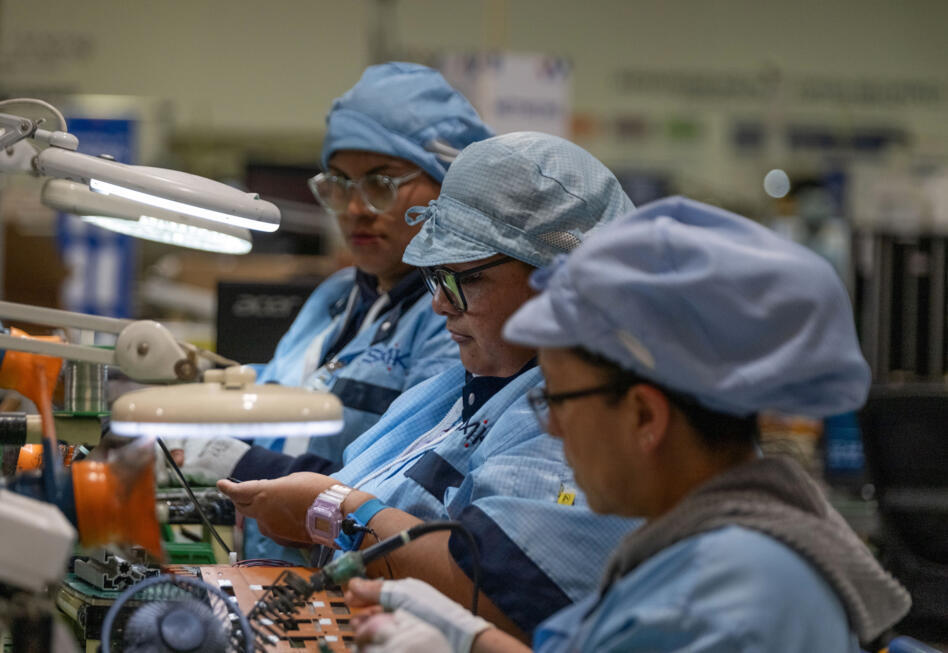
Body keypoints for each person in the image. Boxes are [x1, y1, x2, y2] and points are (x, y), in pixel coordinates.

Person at [343, 197, 912, 653]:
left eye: (559, 400)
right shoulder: (717, 552)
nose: (554, 430)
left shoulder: (714, 603)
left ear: (644, 416)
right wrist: (474, 640)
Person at [217, 132, 640, 639]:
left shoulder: (581, 419)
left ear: (558, 279)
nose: (439, 303)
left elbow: (502, 593)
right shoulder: (448, 395)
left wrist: (334, 510)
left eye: (461, 279)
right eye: (434, 278)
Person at [171, 63, 492, 560]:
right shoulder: (334, 298)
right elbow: (274, 399)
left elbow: (406, 480)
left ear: (447, 186)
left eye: (381, 183)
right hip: (274, 569)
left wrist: (235, 459)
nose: (355, 208)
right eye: (340, 182)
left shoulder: (454, 319)